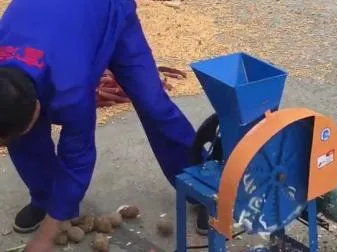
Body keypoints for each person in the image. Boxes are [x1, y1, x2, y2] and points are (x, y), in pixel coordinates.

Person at [0, 0, 202, 250]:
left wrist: (46, 238)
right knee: (20, 137)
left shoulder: (70, 88)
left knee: (154, 105)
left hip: (108, 11)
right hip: (62, 26)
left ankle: (201, 187)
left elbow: (78, 156)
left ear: (38, 107)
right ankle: (47, 198)